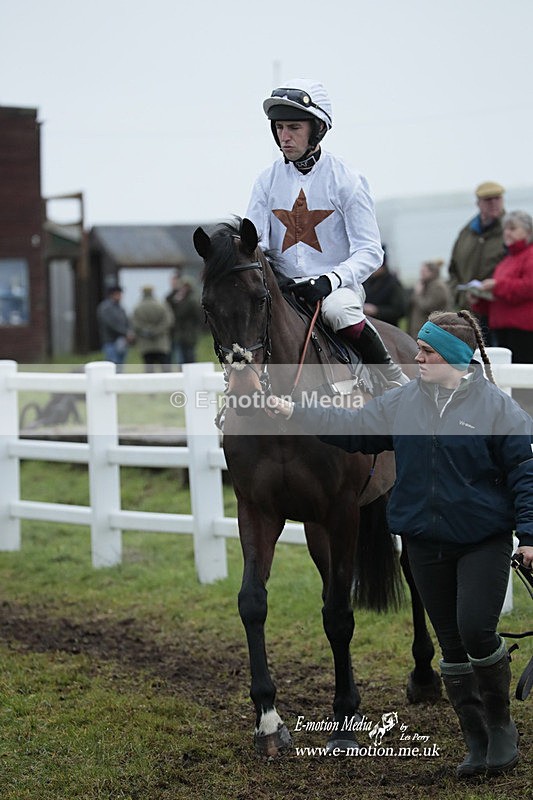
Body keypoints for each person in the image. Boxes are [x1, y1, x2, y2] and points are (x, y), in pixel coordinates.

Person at [268, 309, 533, 779]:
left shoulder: (497, 410)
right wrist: (293, 411)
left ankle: (499, 723)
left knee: (476, 630)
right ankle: (474, 737)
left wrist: (530, 536)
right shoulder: (403, 401)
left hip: (481, 541)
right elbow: (352, 426)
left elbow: (525, 474)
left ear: (453, 358)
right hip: (423, 541)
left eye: (427, 351)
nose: (417, 357)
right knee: (450, 645)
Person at [246, 78, 409, 387]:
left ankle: (393, 379)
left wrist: (329, 280)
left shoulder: (347, 179)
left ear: (317, 129)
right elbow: (256, 242)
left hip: (336, 289)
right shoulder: (265, 181)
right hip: (283, 290)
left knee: (338, 311)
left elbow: (371, 251)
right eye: (279, 128)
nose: (285, 137)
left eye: (294, 128)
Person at [470, 210, 533, 414]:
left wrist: (496, 286)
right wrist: (479, 299)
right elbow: (501, 295)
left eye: (513, 228)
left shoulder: (529, 256)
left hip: (524, 331)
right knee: (504, 382)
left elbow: (528, 287)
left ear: (528, 231)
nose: (507, 233)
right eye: (506, 228)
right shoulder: (505, 262)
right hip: (501, 329)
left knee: (523, 383)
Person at [447, 181, 506, 338]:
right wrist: (459, 296)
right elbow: (453, 270)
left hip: (501, 312)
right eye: (488, 199)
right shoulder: (466, 233)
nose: (493, 203)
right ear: (478, 203)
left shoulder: (513, 231)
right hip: (470, 312)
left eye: (497, 198)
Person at [131, 285, 174, 372]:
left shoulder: (137, 307)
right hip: (161, 343)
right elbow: (168, 321)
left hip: (145, 344)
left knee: (149, 371)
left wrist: (146, 331)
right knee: (166, 370)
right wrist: (157, 330)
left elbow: (135, 324)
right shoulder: (162, 305)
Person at [166, 270, 204, 366]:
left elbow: (180, 313)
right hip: (183, 333)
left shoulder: (191, 299)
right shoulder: (188, 297)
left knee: (187, 357)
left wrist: (178, 301)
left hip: (188, 333)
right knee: (184, 356)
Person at [362, 246, 407, 327]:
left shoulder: (393, 283)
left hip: (389, 329)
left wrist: (377, 310)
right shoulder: (366, 281)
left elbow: (400, 310)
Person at [408, 259, 452, 339]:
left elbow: (428, 307)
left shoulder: (438, 287)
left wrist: (418, 294)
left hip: (432, 332)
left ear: (432, 272)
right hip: (422, 331)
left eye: (424, 271)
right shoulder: (425, 285)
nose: (421, 274)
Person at [96, 284, 132, 369]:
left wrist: (129, 332)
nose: (120, 296)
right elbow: (111, 324)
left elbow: (126, 321)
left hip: (122, 341)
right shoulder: (106, 308)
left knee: (120, 366)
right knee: (112, 365)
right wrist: (125, 333)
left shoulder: (120, 307)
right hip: (111, 341)